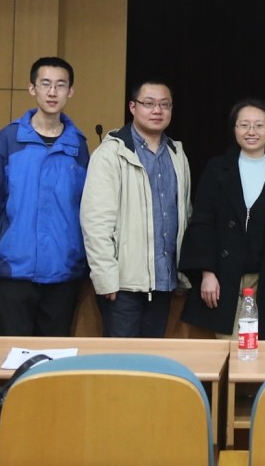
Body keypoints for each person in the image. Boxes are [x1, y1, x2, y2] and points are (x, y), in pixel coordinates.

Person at [0, 57, 89, 337]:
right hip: (15, 269)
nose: (53, 92)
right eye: (45, 84)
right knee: (8, 355)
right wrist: (6, 248)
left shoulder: (78, 145)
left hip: (63, 269)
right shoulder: (8, 139)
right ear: (32, 88)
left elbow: (84, 207)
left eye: (60, 85)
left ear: (70, 91)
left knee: (53, 357)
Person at [80, 80, 191, 337]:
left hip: (164, 282)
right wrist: (105, 277)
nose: (157, 110)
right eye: (149, 103)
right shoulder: (110, 153)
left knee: (152, 358)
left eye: (165, 105)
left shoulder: (177, 154)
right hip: (123, 285)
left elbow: (185, 213)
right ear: (133, 107)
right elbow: (95, 222)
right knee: (122, 359)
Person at [179, 99, 265, 338]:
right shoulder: (216, 169)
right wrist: (207, 273)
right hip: (222, 278)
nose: (251, 131)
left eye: (259, 125)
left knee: (258, 350)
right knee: (229, 348)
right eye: (244, 125)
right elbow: (202, 223)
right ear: (234, 129)